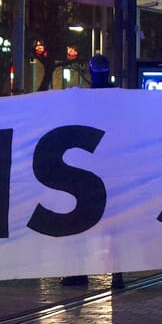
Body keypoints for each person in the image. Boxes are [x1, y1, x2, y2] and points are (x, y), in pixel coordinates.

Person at [62, 55, 128, 291]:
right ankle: (117, 274)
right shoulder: (117, 97)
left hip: (90, 166)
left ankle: (80, 273)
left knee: (79, 219)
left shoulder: (85, 98)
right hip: (109, 166)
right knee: (111, 226)